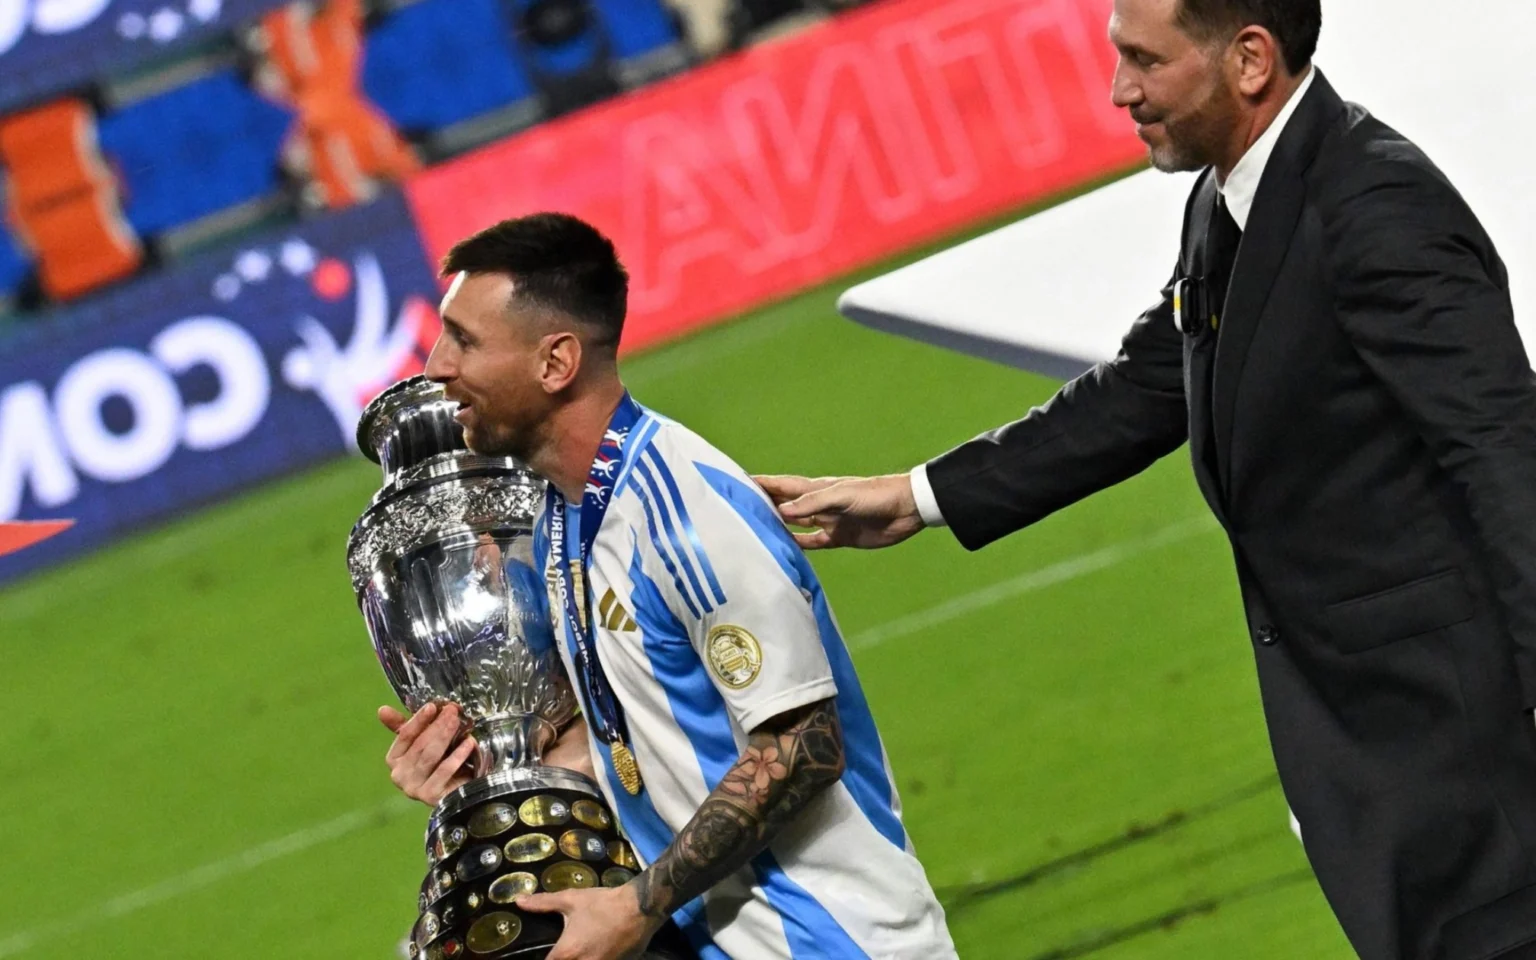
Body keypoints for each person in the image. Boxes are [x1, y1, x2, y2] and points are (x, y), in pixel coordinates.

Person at [755, 1, 1536, 958]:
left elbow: (1503, 454)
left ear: (1249, 60)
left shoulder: (1375, 207)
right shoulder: (1228, 199)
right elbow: (1145, 386)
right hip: (1382, 756)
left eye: (1142, 61)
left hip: (1468, 754)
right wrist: (917, 495)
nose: (1119, 91)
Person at [380, 212, 956, 960]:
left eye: (463, 339)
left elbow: (804, 747)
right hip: (712, 938)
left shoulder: (685, 516)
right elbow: (630, 732)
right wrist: (490, 775)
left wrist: (636, 904)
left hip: (829, 941)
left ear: (556, 363)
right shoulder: (564, 513)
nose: (434, 366)